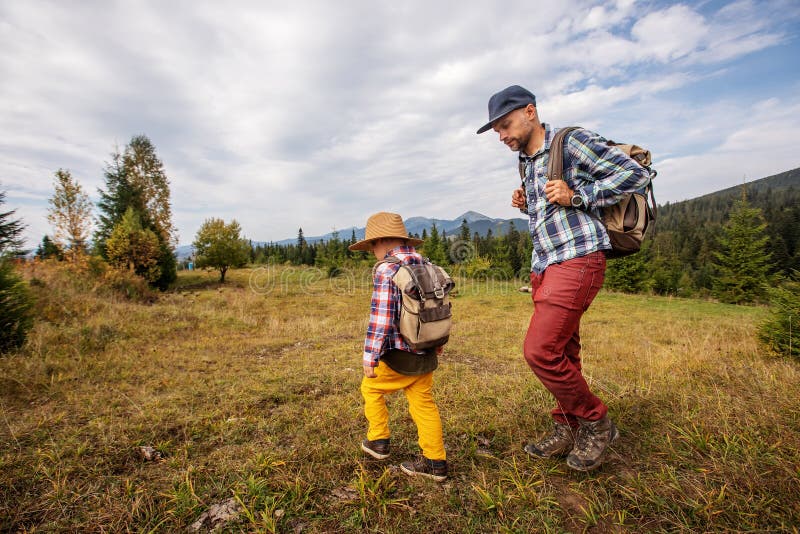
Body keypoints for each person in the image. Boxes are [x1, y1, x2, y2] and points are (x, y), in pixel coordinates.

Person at [476, 85, 651, 471]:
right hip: (545, 265)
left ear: (530, 112)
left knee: (540, 350)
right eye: (497, 130)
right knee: (564, 352)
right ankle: (569, 424)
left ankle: (596, 422)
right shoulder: (526, 160)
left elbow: (636, 174)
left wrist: (578, 196)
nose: (501, 136)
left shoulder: (570, 142)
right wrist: (528, 204)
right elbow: (552, 210)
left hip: (578, 258)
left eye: (505, 125)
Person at [348, 211, 448, 482]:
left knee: (371, 389)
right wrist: (438, 341)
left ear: (381, 241)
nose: (373, 253)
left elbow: (381, 319)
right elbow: (438, 307)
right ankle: (435, 461)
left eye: (372, 247)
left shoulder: (387, 269)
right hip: (425, 350)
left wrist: (370, 357)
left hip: (397, 355)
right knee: (423, 403)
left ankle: (378, 441)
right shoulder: (425, 263)